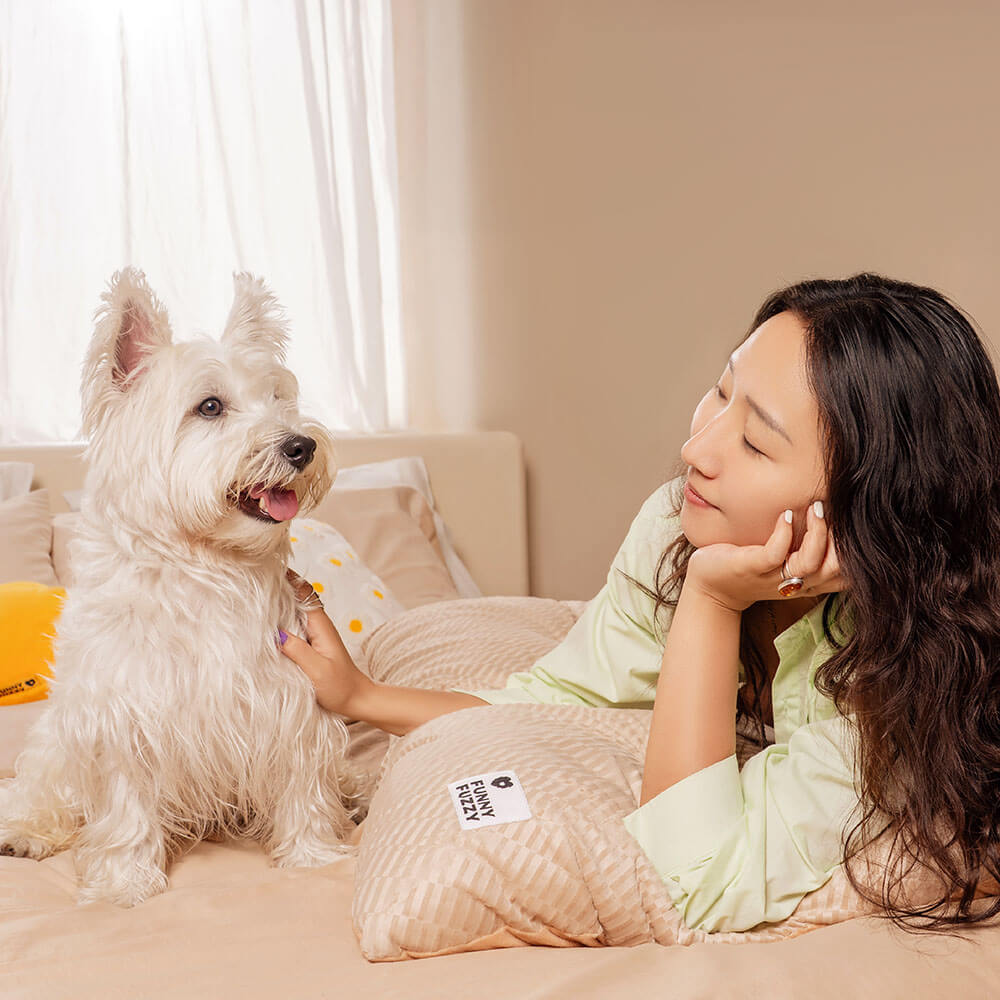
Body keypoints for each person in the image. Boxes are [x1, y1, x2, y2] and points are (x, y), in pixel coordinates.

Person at [279, 272, 1000, 937]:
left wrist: (713, 600)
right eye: (721, 392)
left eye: (753, 442)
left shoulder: (908, 674)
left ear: (865, 511)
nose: (697, 448)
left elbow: (699, 879)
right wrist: (362, 696)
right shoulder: (676, 524)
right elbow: (551, 699)